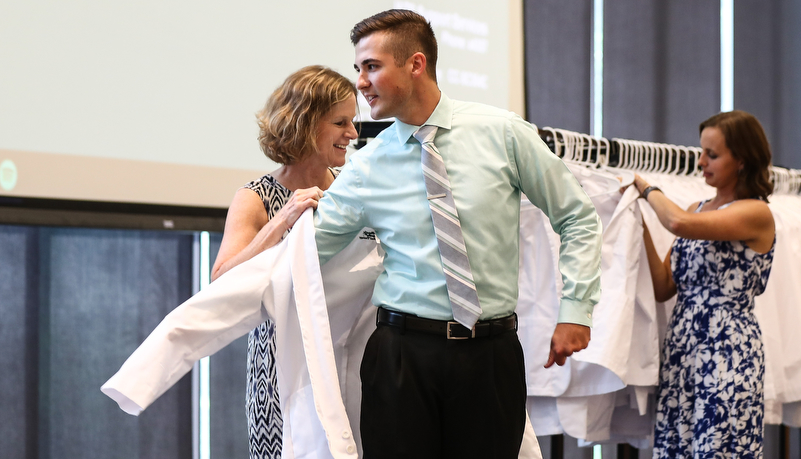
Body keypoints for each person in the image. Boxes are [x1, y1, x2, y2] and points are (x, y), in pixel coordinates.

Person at [311, 9, 603, 459]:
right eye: (359, 69)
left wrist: (577, 309)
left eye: (372, 67)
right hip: (399, 359)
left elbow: (576, 217)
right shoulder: (367, 164)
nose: (361, 82)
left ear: (415, 64)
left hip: (490, 358)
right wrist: (255, 245)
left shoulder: (504, 133)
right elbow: (310, 250)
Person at [210, 65, 358, 459]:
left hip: (353, 364)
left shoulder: (354, 191)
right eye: (341, 122)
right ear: (307, 124)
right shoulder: (255, 197)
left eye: (353, 121)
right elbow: (222, 281)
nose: (353, 134)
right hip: (279, 373)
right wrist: (282, 220)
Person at [633, 110, 775, 457]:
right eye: (702, 152)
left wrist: (647, 187)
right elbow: (665, 286)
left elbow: (678, 224)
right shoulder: (697, 207)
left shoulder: (755, 213)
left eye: (712, 154)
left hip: (728, 348)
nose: (701, 162)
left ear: (741, 160)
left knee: (717, 447)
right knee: (677, 446)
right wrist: (637, 226)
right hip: (683, 346)